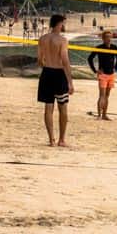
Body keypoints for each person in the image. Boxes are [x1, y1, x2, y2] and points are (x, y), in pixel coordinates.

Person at [37, 14, 75, 147]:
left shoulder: (42, 39)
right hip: (59, 74)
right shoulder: (62, 40)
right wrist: (70, 81)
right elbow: (65, 60)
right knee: (63, 107)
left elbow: (40, 60)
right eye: (63, 23)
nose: (64, 26)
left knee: (48, 107)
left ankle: (51, 139)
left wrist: (47, 64)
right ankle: (62, 139)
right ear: (59, 24)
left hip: (46, 73)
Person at [88, 30, 117, 120]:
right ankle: (99, 115)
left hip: (111, 74)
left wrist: (116, 67)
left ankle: (104, 115)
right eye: (107, 37)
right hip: (103, 74)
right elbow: (90, 58)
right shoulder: (99, 47)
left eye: (110, 37)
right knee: (102, 95)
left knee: (107, 95)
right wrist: (95, 70)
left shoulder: (114, 47)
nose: (109, 39)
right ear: (103, 38)